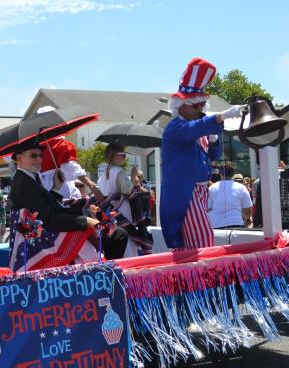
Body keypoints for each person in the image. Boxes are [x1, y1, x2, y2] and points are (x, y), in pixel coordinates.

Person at [160, 58, 245, 250]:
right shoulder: (175, 127)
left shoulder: (197, 129)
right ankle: (203, 278)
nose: (201, 108)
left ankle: (187, 278)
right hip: (184, 192)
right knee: (202, 238)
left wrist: (214, 139)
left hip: (199, 190)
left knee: (190, 244)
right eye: (195, 105)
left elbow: (213, 155)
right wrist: (222, 116)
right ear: (181, 106)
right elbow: (194, 129)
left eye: (202, 105)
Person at [96, 142, 148, 257]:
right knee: (127, 243)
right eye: (123, 154)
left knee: (114, 240)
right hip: (121, 211)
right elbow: (128, 190)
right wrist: (134, 176)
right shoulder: (119, 172)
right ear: (115, 155)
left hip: (108, 214)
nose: (125, 157)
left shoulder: (102, 175)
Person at [207, 162, 253, 229]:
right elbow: (247, 211)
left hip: (216, 226)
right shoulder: (242, 188)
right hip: (236, 224)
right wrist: (247, 221)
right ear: (233, 174)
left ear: (220, 173)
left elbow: (208, 208)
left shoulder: (212, 188)